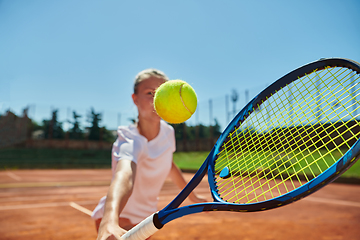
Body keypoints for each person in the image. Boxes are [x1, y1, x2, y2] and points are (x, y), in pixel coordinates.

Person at [92, 69, 206, 240]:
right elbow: (124, 174)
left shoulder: (168, 133)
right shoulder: (130, 139)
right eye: (149, 93)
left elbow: (169, 165)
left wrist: (193, 196)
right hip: (120, 218)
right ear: (135, 99)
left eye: (161, 92)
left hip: (147, 221)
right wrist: (109, 220)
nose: (156, 98)